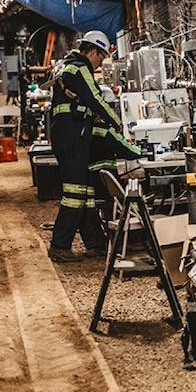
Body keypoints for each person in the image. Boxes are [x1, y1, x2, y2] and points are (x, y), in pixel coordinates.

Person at [48, 31, 122, 262]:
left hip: (68, 133)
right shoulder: (80, 69)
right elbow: (96, 99)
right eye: (100, 58)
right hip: (72, 135)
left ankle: (95, 242)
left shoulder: (66, 66)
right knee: (75, 193)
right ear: (92, 52)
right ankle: (59, 245)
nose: (100, 64)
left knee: (86, 191)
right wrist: (118, 122)